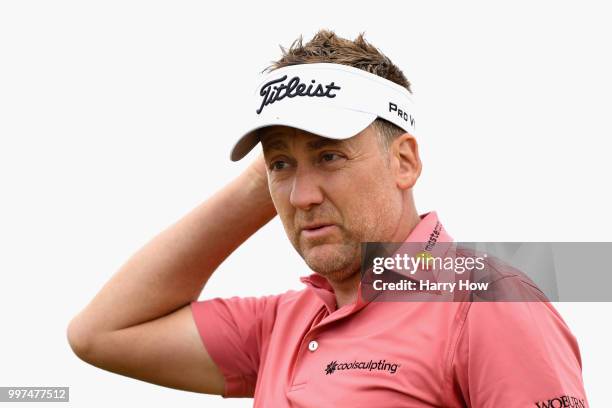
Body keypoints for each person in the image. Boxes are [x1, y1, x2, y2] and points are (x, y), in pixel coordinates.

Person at [67, 30, 589, 407]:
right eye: (280, 165)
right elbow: (100, 333)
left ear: (403, 161)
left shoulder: (485, 301)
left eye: (330, 155)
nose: (301, 195)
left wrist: (287, 161)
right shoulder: (280, 323)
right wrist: (265, 177)